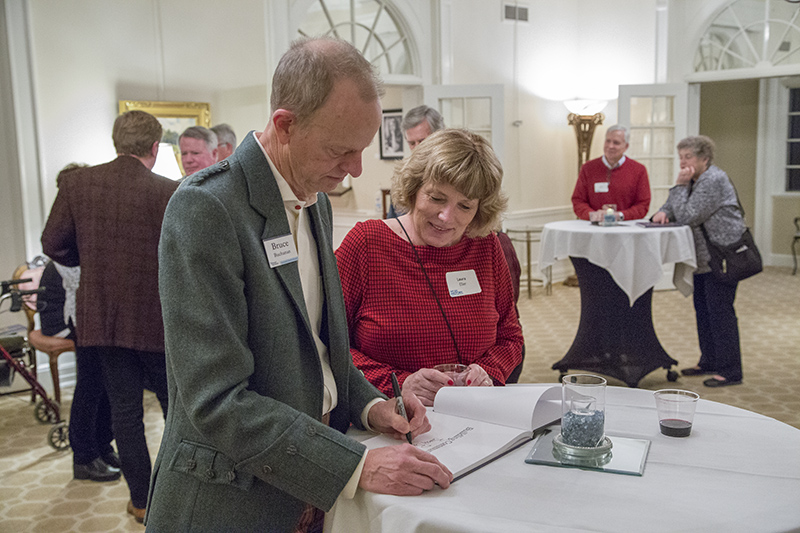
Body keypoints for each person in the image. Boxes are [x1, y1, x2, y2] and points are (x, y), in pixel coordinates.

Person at [147, 37, 452, 532]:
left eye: (363, 149)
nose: (355, 168)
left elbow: (321, 350)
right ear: (285, 124)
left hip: (308, 490)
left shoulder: (316, 200)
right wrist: (356, 465)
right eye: (341, 149)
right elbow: (218, 401)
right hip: (232, 503)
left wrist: (373, 405)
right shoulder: (207, 207)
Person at [41, 110, 177, 522]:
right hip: (157, 318)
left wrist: (92, 261)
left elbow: (53, 242)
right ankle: (172, 495)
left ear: (116, 142)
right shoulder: (170, 191)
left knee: (125, 413)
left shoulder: (77, 183)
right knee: (175, 410)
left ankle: (141, 500)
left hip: (102, 318)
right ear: (155, 148)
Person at [336, 129, 524, 406]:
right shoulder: (367, 244)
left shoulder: (485, 246)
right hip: (389, 417)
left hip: (474, 415)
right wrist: (398, 383)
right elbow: (328, 345)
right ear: (414, 189)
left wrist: (489, 372)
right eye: (436, 198)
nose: (447, 216)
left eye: (465, 206)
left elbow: (511, 336)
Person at [39, 165, 120, 484]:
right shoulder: (66, 231)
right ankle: (84, 456)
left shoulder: (82, 224)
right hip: (72, 318)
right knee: (90, 386)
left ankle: (101, 445)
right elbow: (81, 282)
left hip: (88, 314)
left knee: (102, 385)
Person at [652, 135, 745, 388]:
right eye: (681, 157)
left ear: (704, 158)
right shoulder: (693, 180)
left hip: (721, 256)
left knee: (720, 312)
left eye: (688, 157)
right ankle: (709, 361)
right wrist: (663, 211)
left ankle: (731, 370)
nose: (683, 162)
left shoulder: (712, 180)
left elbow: (688, 215)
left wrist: (679, 186)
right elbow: (673, 206)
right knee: (704, 311)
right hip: (703, 258)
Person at [571, 124, 651, 222]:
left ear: (626, 147)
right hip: (593, 228)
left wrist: (620, 216)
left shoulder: (639, 170)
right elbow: (578, 201)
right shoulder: (588, 168)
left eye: (616, 143)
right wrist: (592, 215)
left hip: (626, 229)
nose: (610, 146)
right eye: (608, 141)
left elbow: (643, 205)